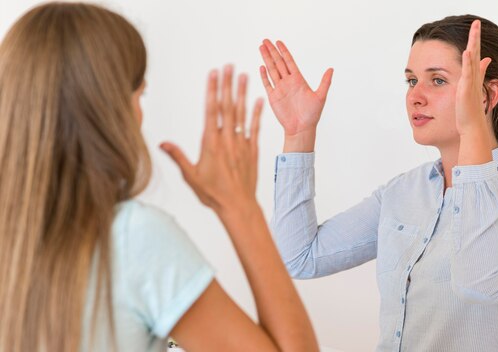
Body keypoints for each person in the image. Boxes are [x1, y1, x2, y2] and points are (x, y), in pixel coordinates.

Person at [0, 3, 318, 352]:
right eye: (140, 94)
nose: (139, 114)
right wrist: (238, 206)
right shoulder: (130, 238)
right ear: (106, 110)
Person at [259, 15, 498, 351]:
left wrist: (473, 132)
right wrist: (299, 133)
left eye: (437, 80)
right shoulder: (403, 191)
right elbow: (299, 258)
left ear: (487, 96)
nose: (415, 97)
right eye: (411, 81)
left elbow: (481, 285)